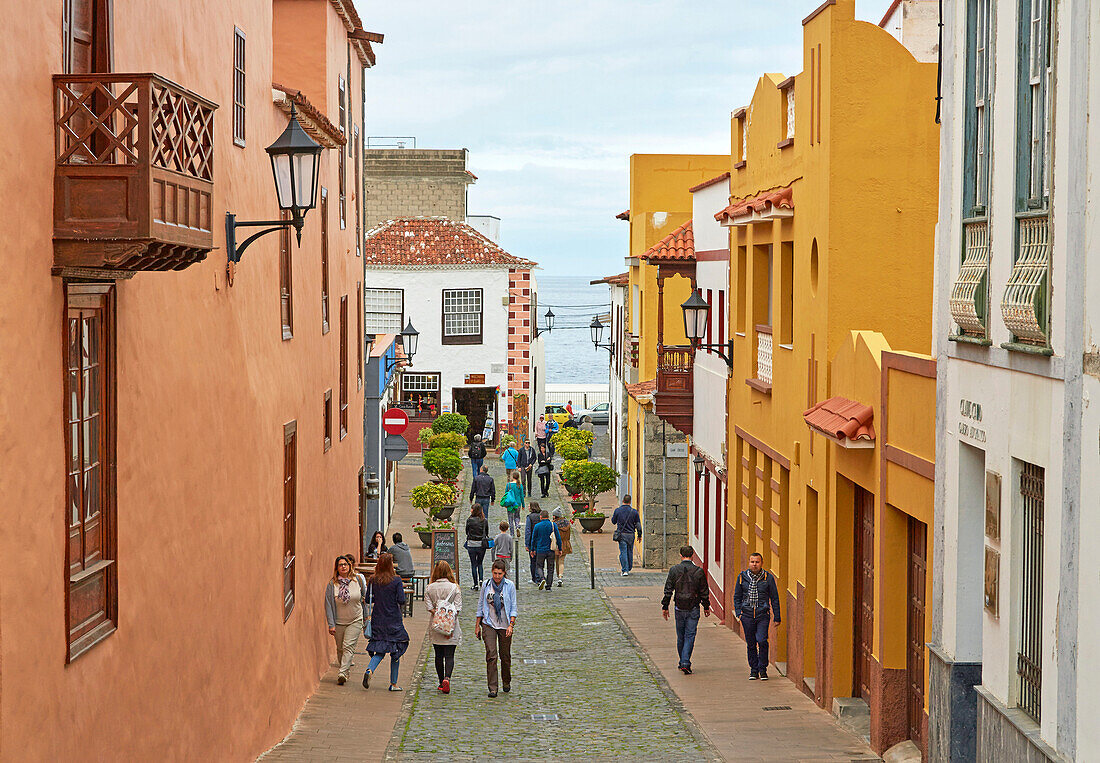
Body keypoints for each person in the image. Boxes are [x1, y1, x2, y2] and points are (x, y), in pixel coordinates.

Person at [661, 546, 711, 675]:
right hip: (693, 607)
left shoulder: (674, 570)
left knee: (681, 635)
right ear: (692, 555)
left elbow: (668, 590)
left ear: (680, 555)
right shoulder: (698, 571)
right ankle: (685, 662)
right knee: (690, 635)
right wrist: (706, 606)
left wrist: (665, 606)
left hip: (679, 606)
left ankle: (682, 661)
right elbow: (704, 591)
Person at [362, 553, 409, 692]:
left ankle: (370, 669)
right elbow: (401, 600)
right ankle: (393, 683)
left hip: (378, 618)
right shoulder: (396, 580)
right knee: (396, 650)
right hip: (393, 619)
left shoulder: (373, 580)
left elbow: (369, 598)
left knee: (380, 650)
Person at [733, 552, 782, 680]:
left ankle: (763, 669)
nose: (754, 564)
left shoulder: (767, 578)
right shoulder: (742, 577)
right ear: (749, 563)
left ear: (761, 563)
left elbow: (775, 598)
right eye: (752, 562)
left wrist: (777, 616)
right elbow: (737, 597)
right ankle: (753, 670)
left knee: (762, 640)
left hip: (762, 614)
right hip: (747, 615)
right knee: (751, 643)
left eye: (757, 562)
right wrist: (739, 613)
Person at [475, 560, 518, 698]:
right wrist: (477, 625)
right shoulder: (486, 585)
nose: (497, 576)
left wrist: (511, 624)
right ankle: (493, 687)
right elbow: (481, 604)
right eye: (495, 573)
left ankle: (506, 680)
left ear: (504, 573)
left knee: (505, 656)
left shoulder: (509, 586)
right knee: (491, 655)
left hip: (505, 624)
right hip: (489, 623)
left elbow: (513, 607)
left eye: (500, 574)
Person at [325, 556, 365, 685]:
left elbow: (363, 598)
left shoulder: (357, 580)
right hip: (339, 621)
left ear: (350, 566)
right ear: (336, 568)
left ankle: (342, 672)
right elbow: (328, 605)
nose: (343, 566)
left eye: (346, 564)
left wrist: (366, 617)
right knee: (340, 648)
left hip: (355, 619)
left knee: (348, 646)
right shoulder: (332, 585)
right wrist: (331, 624)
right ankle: (345, 671)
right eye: (340, 565)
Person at [424, 560, 462, 694]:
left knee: (438, 655)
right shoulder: (454, 587)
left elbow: (429, 608)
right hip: (451, 625)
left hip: (436, 625)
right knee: (450, 655)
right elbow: (457, 608)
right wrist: (448, 618)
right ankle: (447, 678)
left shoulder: (430, 588)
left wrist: (440, 614)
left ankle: (441, 682)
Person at [530, 509, 563, 590]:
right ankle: (549, 586)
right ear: (548, 516)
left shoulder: (537, 526)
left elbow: (533, 539)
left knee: (539, 566)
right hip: (551, 550)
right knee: (550, 568)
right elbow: (558, 537)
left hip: (540, 550)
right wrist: (560, 548)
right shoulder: (553, 525)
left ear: (541, 517)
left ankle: (542, 578)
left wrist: (532, 549)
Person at [611, 495, 641, 576]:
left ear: (623, 500)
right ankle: (629, 567)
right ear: (630, 501)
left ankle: (625, 570)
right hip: (631, 534)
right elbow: (638, 525)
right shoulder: (634, 512)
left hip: (622, 534)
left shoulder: (618, 511)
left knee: (623, 552)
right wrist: (639, 535)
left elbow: (613, 521)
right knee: (630, 551)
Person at [464, 502, 491, 590]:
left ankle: (475, 583)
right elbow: (486, 532)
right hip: (481, 544)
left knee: (473, 564)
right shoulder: (484, 520)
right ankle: (481, 579)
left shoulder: (469, 520)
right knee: (480, 563)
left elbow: (466, 531)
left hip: (471, 544)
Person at [523, 501, 543, 584]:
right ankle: (541, 576)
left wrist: (527, 544)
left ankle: (535, 578)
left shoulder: (530, 517)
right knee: (540, 561)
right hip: (541, 542)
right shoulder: (541, 516)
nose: (528, 507)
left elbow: (528, 531)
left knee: (533, 561)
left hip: (533, 541)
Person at [552, 508, 572, 587]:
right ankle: (560, 576)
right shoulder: (567, 523)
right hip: (566, 543)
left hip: (557, 544)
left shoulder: (554, 524)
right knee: (561, 561)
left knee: (556, 561)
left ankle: (558, 576)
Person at [501, 472, 525, 537]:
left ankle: (512, 534)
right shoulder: (520, 485)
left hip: (510, 504)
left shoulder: (508, 485)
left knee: (510, 518)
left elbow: (506, 495)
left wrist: (505, 504)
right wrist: (523, 505)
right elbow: (522, 496)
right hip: (518, 503)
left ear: (512, 477)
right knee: (517, 516)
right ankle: (517, 525)